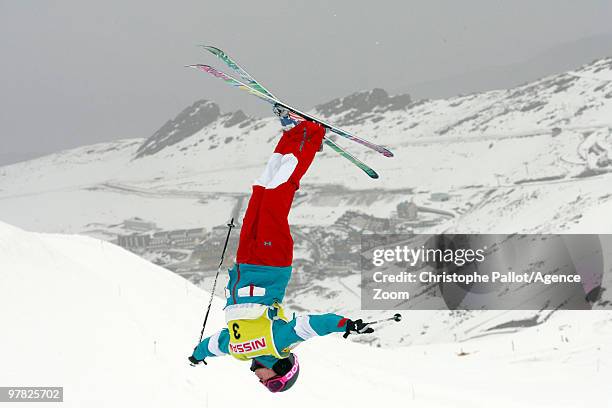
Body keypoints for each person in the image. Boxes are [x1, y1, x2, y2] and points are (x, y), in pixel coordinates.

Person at [188, 111, 374, 393]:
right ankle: (310, 136)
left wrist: (197, 356)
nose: (261, 380)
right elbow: (313, 325)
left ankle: (291, 135)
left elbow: (213, 346)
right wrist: (346, 324)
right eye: (271, 381)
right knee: (277, 195)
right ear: (283, 368)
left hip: (246, 262)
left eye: (266, 384)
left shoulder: (239, 351)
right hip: (272, 263)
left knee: (261, 192)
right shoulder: (280, 343)